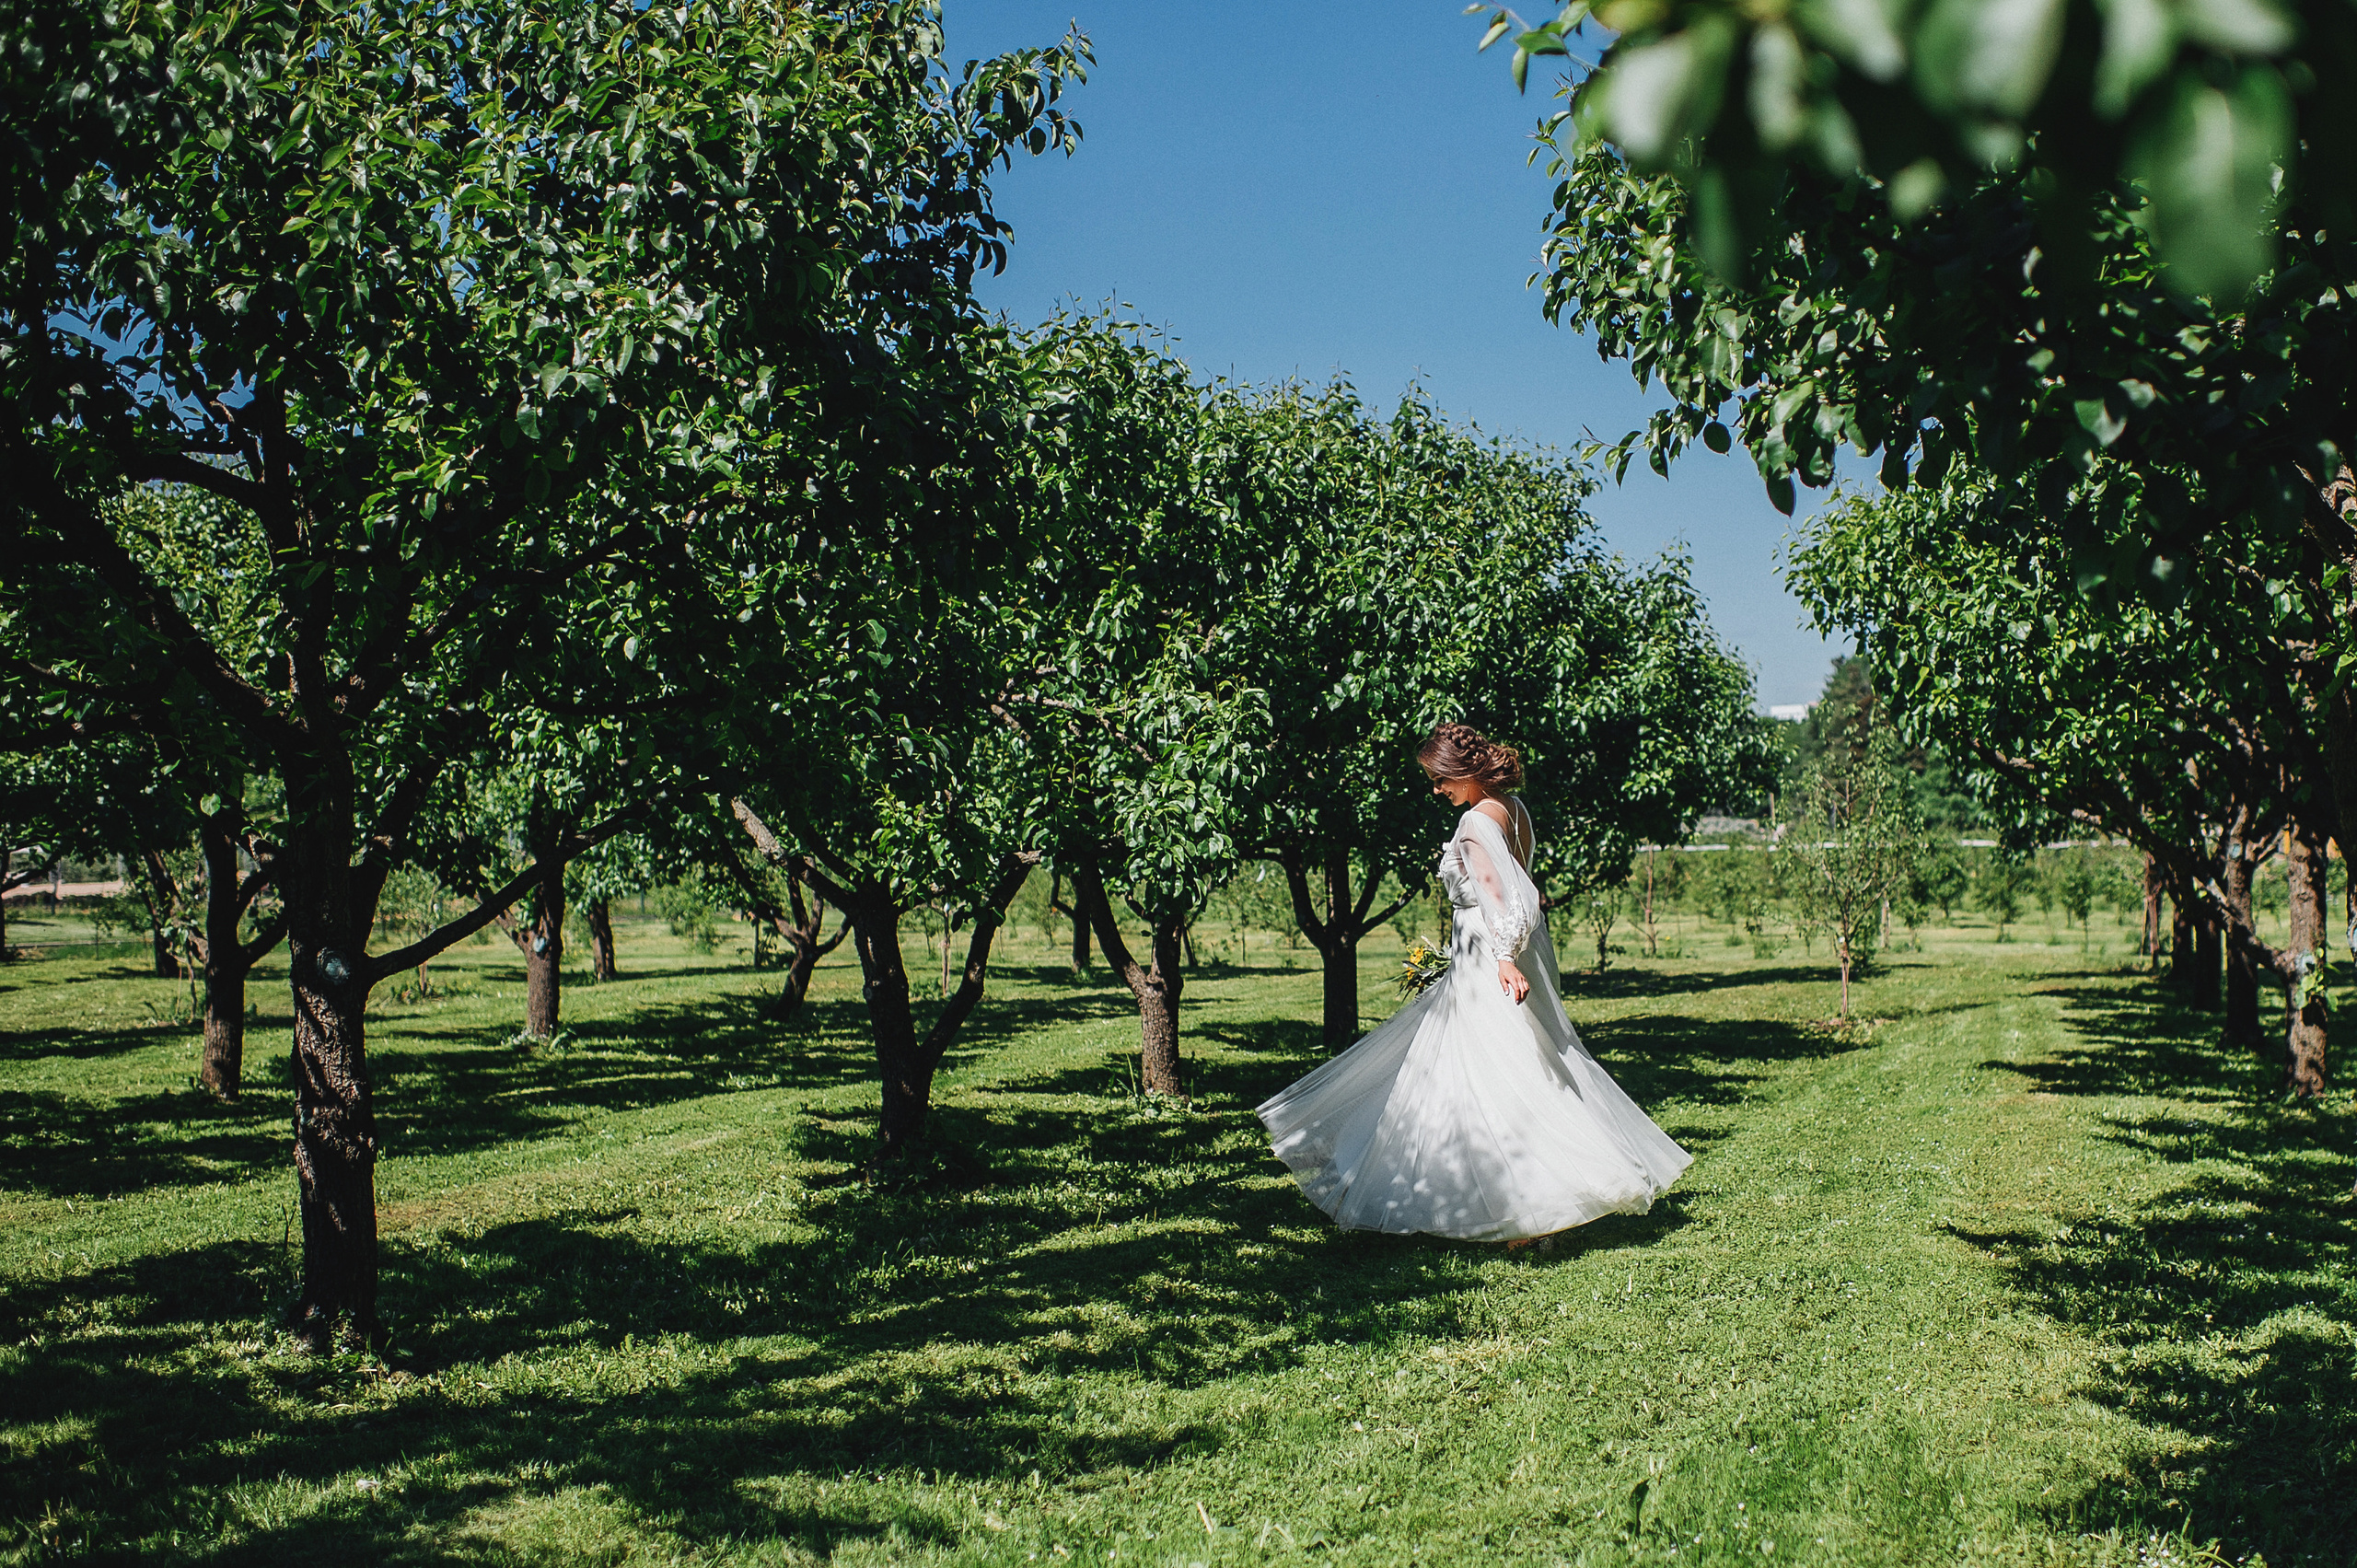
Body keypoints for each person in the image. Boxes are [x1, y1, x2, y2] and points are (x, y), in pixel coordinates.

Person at [1256, 722, 1690, 1243]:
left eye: (1441, 780)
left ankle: (1523, 1204)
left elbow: (1501, 897)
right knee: (1529, 1059)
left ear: (1463, 771)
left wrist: (1502, 959)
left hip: (1493, 953)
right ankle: (1527, 1198)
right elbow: (1520, 889)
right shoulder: (1513, 809)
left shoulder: (1474, 823)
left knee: (1497, 1067)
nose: (1437, 791)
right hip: (1507, 948)